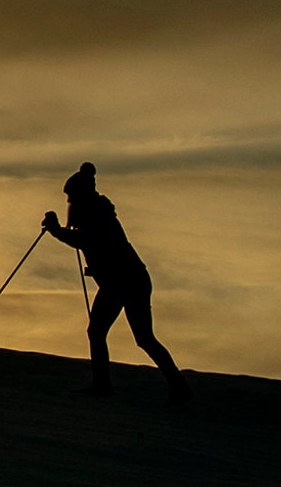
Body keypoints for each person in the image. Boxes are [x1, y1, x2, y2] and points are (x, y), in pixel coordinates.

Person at [40, 162, 190, 405]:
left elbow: (86, 241)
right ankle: (177, 386)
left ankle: (104, 386)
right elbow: (83, 239)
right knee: (136, 337)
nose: (69, 202)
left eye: (70, 197)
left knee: (112, 333)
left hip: (123, 282)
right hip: (127, 280)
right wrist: (58, 230)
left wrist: (56, 230)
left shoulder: (97, 214)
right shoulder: (98, 212)